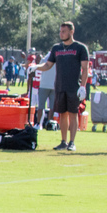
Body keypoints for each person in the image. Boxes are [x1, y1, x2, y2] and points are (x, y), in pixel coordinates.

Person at [32, 21, 90, 152]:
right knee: (62, 114)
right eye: (60, 31)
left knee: (73, 114)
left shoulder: (80, 48)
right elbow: (48, 65)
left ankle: (72, 142)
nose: (61, 34)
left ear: (71, 32)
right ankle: (63, 141)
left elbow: (85, 68)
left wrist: (83, 86)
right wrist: (36, 67)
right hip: (59, 86)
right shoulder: (56, 48)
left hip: (74, 87)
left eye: (64, 31)